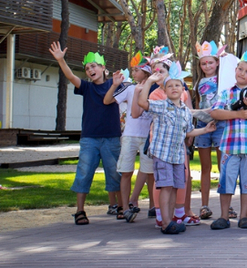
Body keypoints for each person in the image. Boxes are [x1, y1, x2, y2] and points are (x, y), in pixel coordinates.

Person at [137, 62, 216, 235]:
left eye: (177, 85)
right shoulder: (161, 105)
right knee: (166, 187)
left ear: (183, 90)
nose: (174, 88)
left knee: (174, 187)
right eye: (170, 86)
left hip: (178, 156)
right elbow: (142, 103)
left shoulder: (185, 111)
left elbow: (188, 132)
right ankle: (165, 223)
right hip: (163, 154)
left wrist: (205, 130)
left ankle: (171, 220)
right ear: (165, 90)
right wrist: (149, 82)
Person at [48, 42, 121, 226]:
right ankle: (80, 210)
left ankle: (121, 206)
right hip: (89, 138)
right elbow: (70, 76)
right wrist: (61, 60)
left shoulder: (114, 84)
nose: (90, 70)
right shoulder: (87, 88)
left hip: (111, 137)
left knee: (115, 173)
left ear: (103, 68)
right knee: (84, 172)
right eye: (87, 68)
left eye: (93, 66)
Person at [208, 49, 247, 230]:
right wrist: (238, 114)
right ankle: (224, 216)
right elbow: (215, 112)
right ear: (235, 70)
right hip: (230, 145)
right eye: (240, 69)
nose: (242, 73)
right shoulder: (226, 93)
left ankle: (244, 216)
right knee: (226, 181)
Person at [103, 53, 154, 223]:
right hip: (130, 136)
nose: (133, 73)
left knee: (150, 172)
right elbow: (107, 100)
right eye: (132, 70)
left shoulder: (155, 89)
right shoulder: (130, 88)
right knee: (126, 171)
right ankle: (125, 207)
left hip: (148, 136)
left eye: (136, 70)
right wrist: (114, 85)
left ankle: (153, 206)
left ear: (146, 72)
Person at [193, 40, 227, 220]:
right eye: (204, 63)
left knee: (224, 166)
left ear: (217, 62)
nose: (207, 66)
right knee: (205, 167)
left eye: (210, 62)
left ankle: (226, 206)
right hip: (203, 125)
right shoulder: (198, 82)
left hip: (221, 124)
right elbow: (199, 103)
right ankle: (204, 205)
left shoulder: (224, 79)